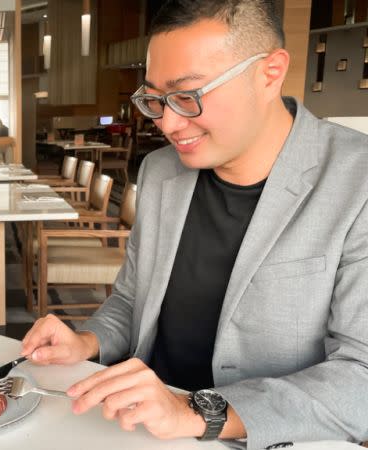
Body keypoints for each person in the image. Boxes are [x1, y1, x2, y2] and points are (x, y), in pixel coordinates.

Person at [21, 0, 368, 448]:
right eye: (155, 100)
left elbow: (360, 378)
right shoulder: (162, 171)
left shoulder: (355, 181)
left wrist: (194, 412)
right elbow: (132, 300)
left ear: (269, 72)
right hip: (144, 430)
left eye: (188, 96)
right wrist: (87, 341)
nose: (167, 122)